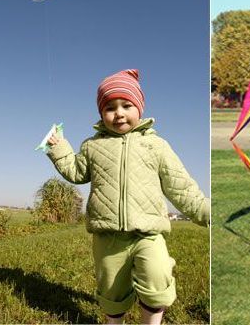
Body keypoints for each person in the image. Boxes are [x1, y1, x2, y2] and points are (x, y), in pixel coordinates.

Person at [45, 69, 210, 324]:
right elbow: (76, 173)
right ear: (101, 113)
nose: (119, 113)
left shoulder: (156, 146)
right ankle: (114, 321)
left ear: (139, 108)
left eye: (126, 105)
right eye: (110, 107)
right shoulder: (92, 146)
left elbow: (180, 186)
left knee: (157, 276)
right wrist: (59, 149)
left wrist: (206, 212)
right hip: (108, 235)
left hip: (148, 232)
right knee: (111, 288)